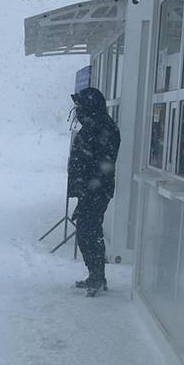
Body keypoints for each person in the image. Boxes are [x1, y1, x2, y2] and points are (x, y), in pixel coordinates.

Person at [66, 87, 121, 297]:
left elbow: (102, 164)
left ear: (91, 106)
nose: (77, 111)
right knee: (88, 231)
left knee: (88, 233)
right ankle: (96, 275)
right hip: (90, 190)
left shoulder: (104, 128)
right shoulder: (92, 127)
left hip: (97, 190)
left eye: (80, 106)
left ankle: (97, 277)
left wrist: (88, 187)